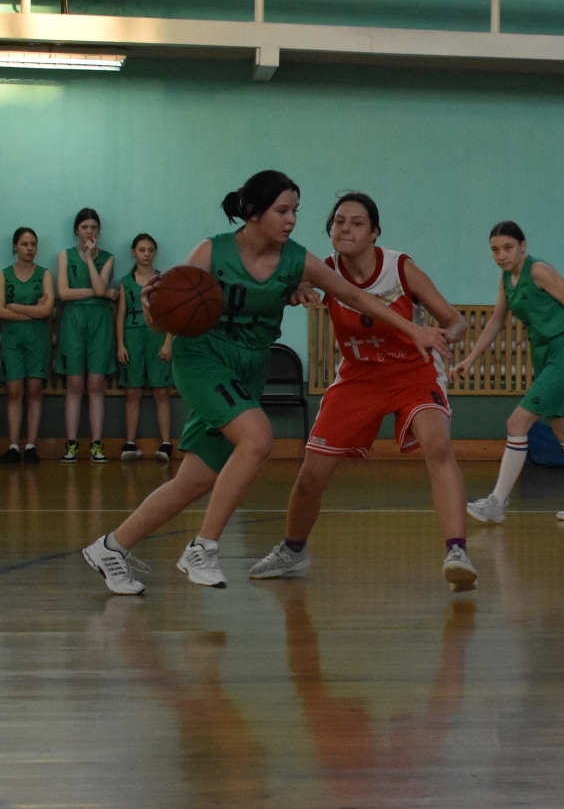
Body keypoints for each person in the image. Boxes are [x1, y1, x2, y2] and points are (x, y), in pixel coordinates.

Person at [81, 171, 450, 594]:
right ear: (254, 212)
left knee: (195, 480)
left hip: (249, 366)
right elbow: (164, 307)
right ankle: (203, 548)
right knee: (257, 438)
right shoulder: (212, 251)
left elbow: (356, 296)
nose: (291, 219)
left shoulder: (297, 261)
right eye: (282, 211)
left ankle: (111, 547)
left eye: (295, 211)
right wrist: (154, 306)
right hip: (204, 358)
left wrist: (413, 328)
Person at [249, 192, 477, 586]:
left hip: (413, 372)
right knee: (310, 476)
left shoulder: (400, 268)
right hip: (359, 377)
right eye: (339, 221)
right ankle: (292, 551)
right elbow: (292, 285)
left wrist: (444, 335)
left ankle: (457, 551)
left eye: (357, 223)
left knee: (438, 446)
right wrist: (297, 291)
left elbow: (456, 321)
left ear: (374, 232)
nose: (346, 228)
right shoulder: (324, 269)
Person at [455, 222, 564, 524]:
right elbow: (496, 321)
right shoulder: (505, 279)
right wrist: (470, 359)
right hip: (542, 354)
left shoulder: (538, 270)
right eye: (495, 250)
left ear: (523, 246)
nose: (501, 255)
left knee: (517, 423)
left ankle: (497, 503)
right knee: (563, 428)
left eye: (508, 248)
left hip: (562, 351)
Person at [56, 208, 119, 462]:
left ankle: (96, 444)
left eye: (93, 227)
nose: (89, 232)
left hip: (100, 321)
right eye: (84, 227)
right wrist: (102, 292)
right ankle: (71, 444)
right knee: (74, 384)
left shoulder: (108, 257)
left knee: (96, 383)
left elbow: (100, 287)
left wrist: (91, 259)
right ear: (76, 230)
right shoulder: (65, 255)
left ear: (99, 231)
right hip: (73, 320)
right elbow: (64, 293)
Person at [115, 234, 175, 463]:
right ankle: (130, 442)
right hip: (132, 337)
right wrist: (121, 344)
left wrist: (168, 341)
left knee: (161, 391)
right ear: (133, 253)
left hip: (157, 336)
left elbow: (170, 312)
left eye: (150, 250)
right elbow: (120, 315)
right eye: (142, 250)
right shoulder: (125, 281)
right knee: (132, 392)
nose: (146, 254)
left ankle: (166, 443)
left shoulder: (162, 280)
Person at [3, 228, 53, 463]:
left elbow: (46, 310)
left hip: (37, 339)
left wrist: (14, 307)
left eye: (33, 244)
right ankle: (13, 446)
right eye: (24, 244)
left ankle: (31, 446)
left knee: (34, 390)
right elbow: (0, 310)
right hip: (12, 339)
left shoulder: (44, 274)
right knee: (14, 391)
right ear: (15, 247)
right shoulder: (4, 275)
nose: (29, 248)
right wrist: (33, 311)